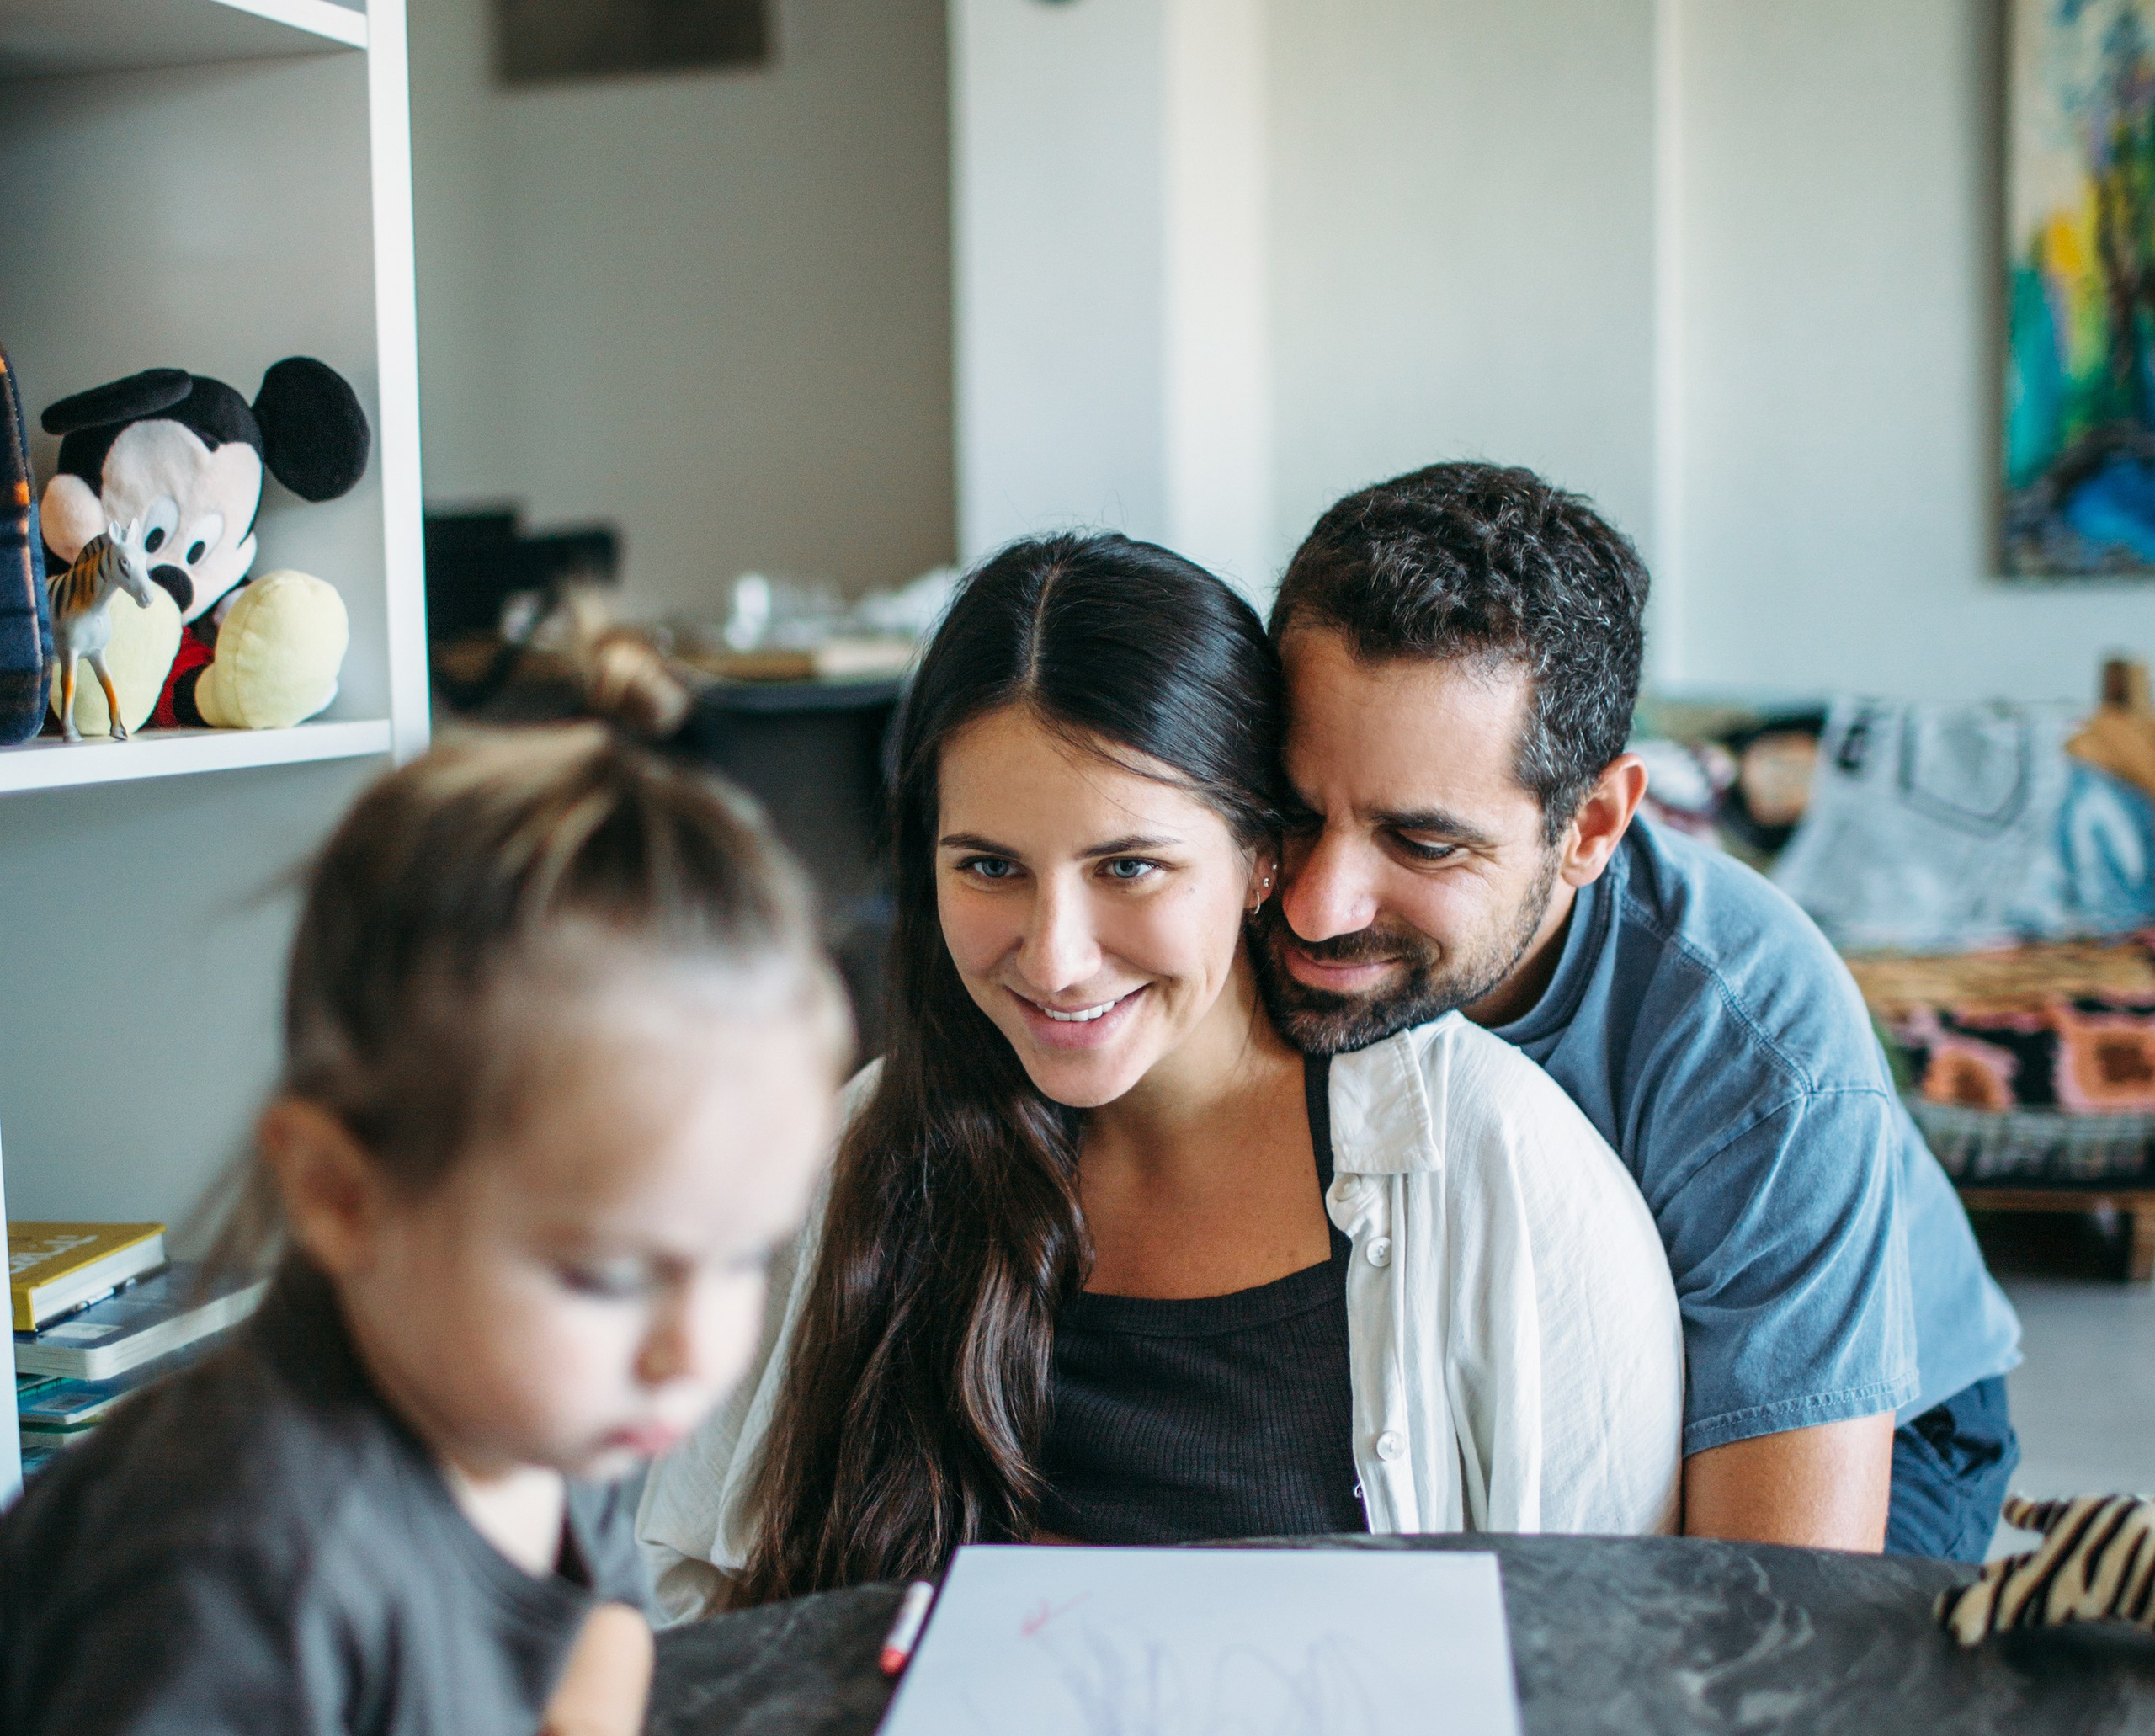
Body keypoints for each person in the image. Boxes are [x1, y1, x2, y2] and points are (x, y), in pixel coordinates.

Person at [1, 725, 845, 1736]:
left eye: (743, 1257)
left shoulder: (549, 1402)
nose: (690, 1350)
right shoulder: (247, 1535)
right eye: (607, 1271)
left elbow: (601, 1621)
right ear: (341, 1196)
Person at [641, 531, 1684, 1606]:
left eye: (1129, 866)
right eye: (989, 867)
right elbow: (699, 1592)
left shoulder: (1493, 1162)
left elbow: (1606, 1657)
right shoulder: (872, 1140)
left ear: (1260, 856)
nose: (1054, 957)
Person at [1255, 463, 2022, 1560]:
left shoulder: (1757, 1045)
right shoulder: (1224, 884)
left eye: (1423, 843)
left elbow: (1775, 1598)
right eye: (1290, 808)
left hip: (1889, 1413)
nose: (1316, 906)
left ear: (1592, 827)